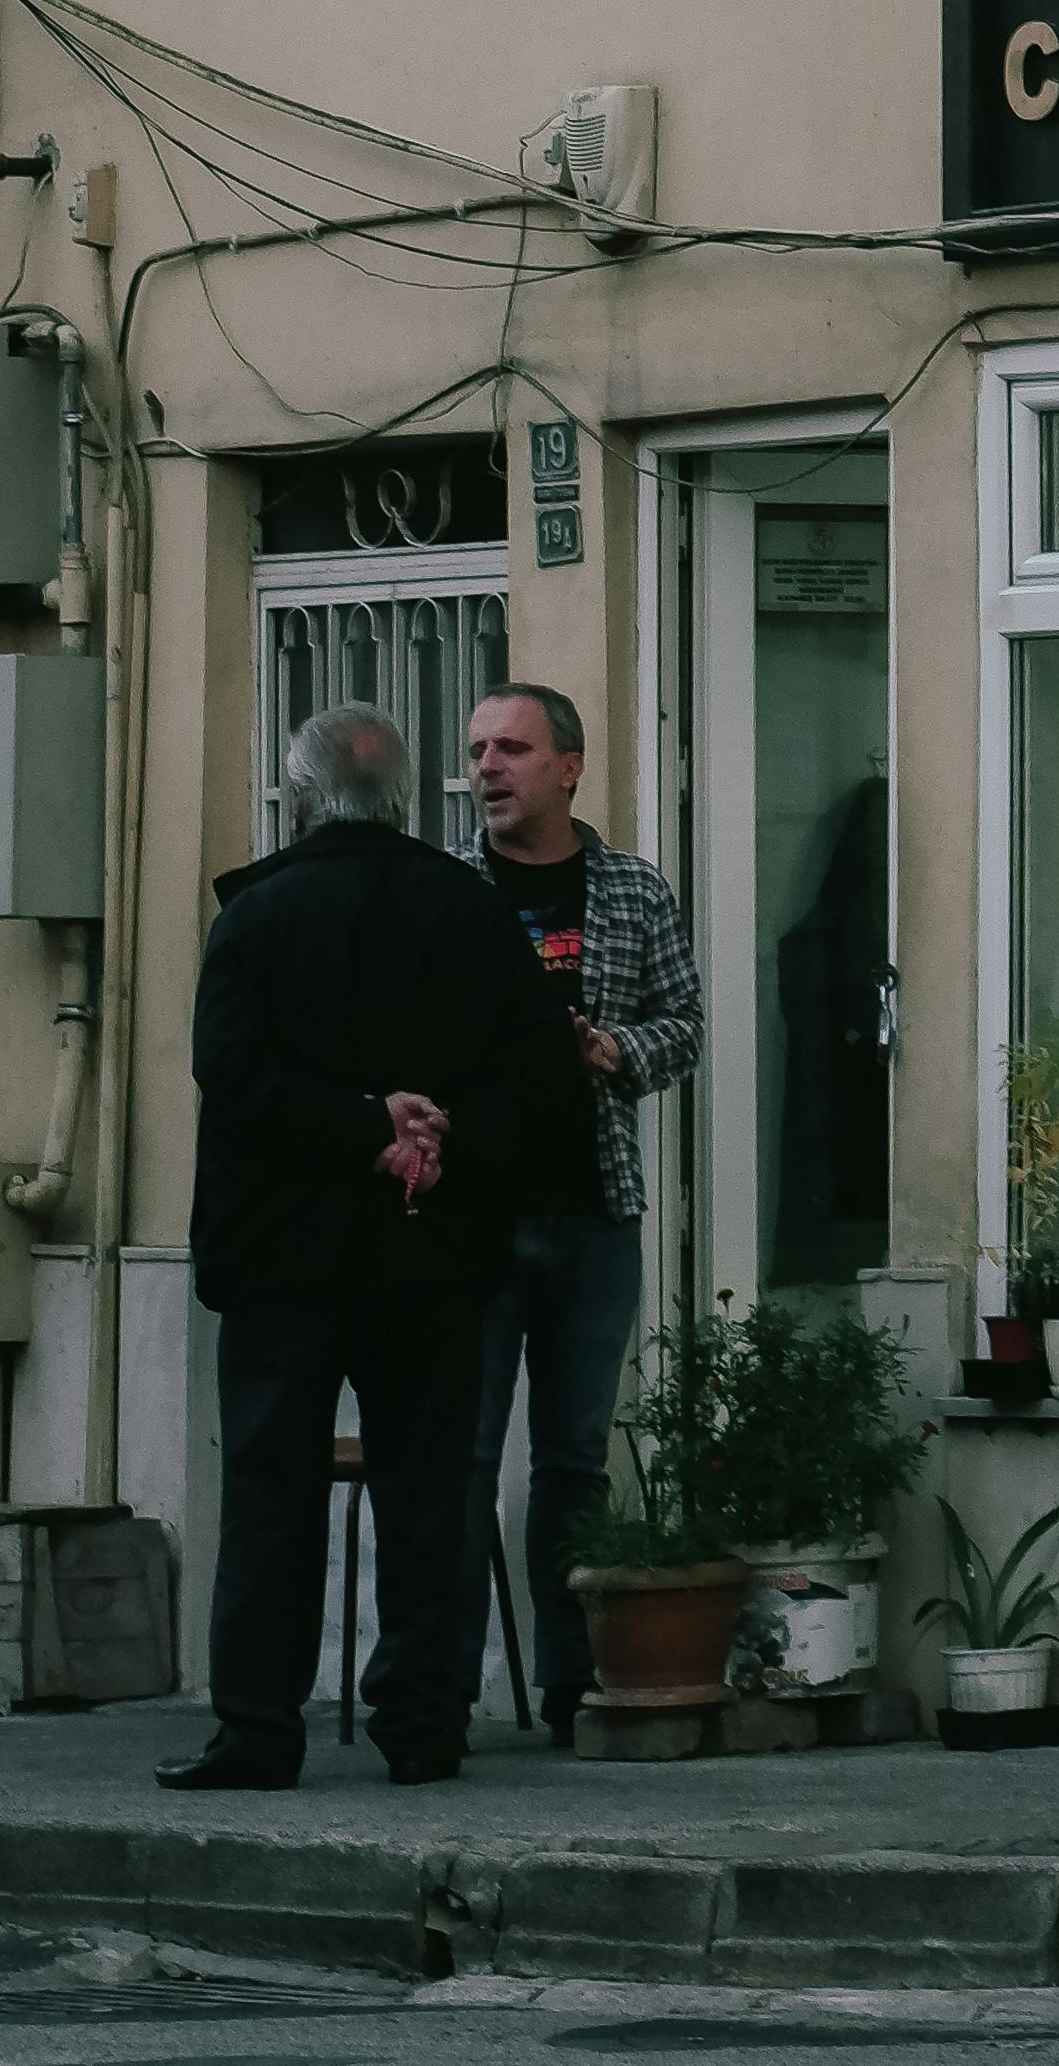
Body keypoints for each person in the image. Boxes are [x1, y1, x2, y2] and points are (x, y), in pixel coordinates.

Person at [167, 701, 582, 1793]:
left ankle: (258, 1725)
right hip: (431, 1250)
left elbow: (234, 1073)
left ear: (300, 798)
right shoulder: (476, 912)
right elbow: (542, 1076)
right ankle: (423, 1721)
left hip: (284, 1258)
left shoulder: (253, 919)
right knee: (428, 1484)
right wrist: (439, 1131)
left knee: (270, 1486)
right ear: (406, 799)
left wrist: (361, 1127)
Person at [460, 681, 706, 1747]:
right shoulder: (446, 887)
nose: (487, 765)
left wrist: (619, 1051)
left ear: (569, 764)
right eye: (477, 748)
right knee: (462, 1454)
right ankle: (445, 1679)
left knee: (568, 1459)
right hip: (472, 1215)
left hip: (595, 1209)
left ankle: (566, 1679)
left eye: (511, 746)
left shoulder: (630, 887)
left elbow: (686, 1017)